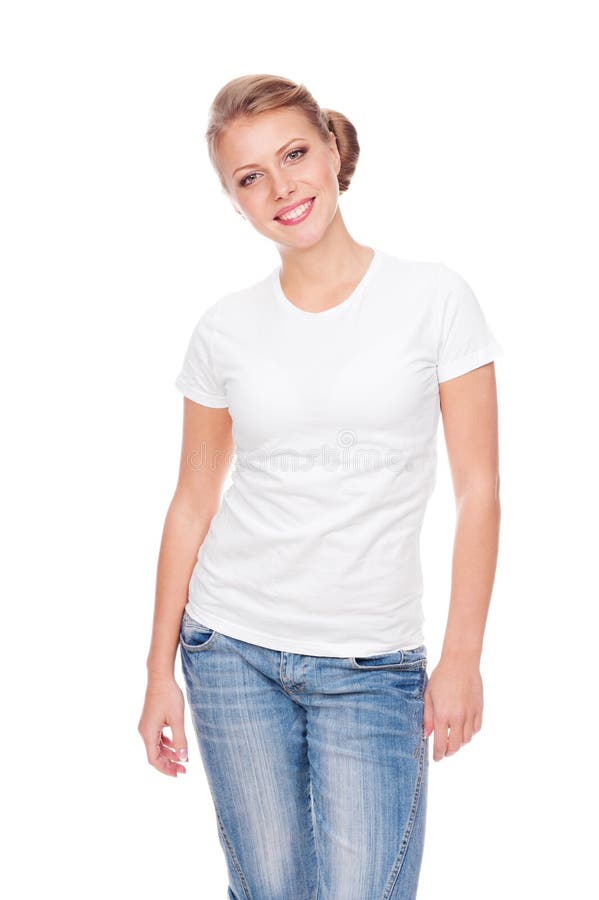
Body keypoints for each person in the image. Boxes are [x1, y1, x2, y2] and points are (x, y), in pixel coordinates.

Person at [138, 73, 503, 899]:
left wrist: (463, 656)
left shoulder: (434, 298)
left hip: (371, 663)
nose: (281, 187)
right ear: (235, 204)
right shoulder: (224, 328)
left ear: (334, 149)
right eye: (250, 177)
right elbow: (192, 500)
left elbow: (477, 490)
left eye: (294, 154)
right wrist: (159, 669)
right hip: (229, 648)